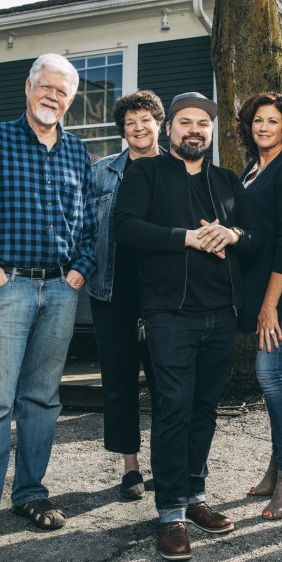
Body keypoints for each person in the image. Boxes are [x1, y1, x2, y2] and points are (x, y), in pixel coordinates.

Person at [0, 53, 96, 553]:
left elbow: (91, 227)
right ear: (28, 88)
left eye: (63, 92)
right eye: (45, 87)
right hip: (4, 288)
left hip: (59, 290)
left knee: (43, 400)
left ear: (71, 100)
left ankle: (30, 493)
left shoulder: (78, 153)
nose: (53, 97)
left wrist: (79, 270)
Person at [114, 91, 262, 562]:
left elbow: (256, 238)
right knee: (174, 409)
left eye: (203, 123)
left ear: (211, 132)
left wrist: (233, 233)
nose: (194, 129)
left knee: (204, 409)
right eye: (185, 122)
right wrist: (189, 238)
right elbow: (126, 228)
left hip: (221, 315)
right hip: (169, 315)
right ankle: (171, 513)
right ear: (169, 129)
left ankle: (195, 496)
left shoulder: (226, 181)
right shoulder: (146, 173)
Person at [235, 92, 282, 520]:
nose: (263, 127)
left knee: (269, 373)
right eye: (257, 120)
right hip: (259, 289)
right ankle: (279, 462)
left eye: (272, 120)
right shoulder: (250, 171)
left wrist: (270, 306)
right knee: (275, 374)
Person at [87, 90, 166, 500]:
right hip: (111, 289)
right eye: (130, 123)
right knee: (118, 380)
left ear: (159, 124)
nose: (138, 128)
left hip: (165, 292)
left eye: (145, 120)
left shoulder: (177, 169)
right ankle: (130, 470)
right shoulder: (101, 173)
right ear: (123, 131)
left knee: (165, 379)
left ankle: (167, 465)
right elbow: (84, 227)